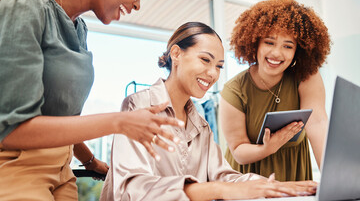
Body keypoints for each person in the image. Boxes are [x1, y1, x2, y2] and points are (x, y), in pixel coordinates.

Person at [0, 0, 184, 200]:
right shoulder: (24, 4)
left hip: (63, 174)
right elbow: (12, 130)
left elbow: (60, 118)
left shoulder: (80, 29)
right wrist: (120, 122)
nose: (138, 4)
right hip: (17, 171)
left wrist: (89, 160)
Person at [100, 22, 318, 200]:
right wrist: (216, 190)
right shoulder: (136, 106)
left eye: (219, 66)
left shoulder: (201, 126)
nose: (213, 73)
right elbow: (131, 189)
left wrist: (269, 186)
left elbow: (222, 176)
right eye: (205, 60)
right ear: (176, 54)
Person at [219, 0, 331, 182]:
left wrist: (332, 180)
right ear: (254, 43)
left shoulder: (306, 77)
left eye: (288, 46)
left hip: (293, 171)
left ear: (298, 51)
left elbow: (317, 124)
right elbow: (238, 150)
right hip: (248, 178)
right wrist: (268, 148)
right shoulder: (234, 90)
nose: (277, 53)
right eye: (269, 42)